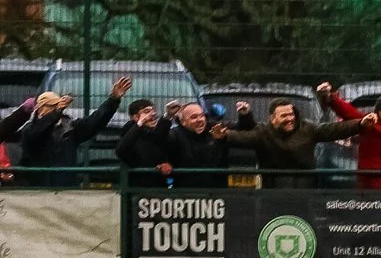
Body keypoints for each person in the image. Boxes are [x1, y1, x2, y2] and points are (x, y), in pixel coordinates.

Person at [0, 77, 130, 185]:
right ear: (39, 109)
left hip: (67, 189)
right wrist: (56, 113)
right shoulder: (29, 130)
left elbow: (95, 122)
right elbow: (38, 133)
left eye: (56, 106)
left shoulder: (71, 128)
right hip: (38, 191)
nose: (54, 109)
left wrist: (113, 100)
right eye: (50, 106)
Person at [226, 96, 366, 188]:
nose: (290, 118)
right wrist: (224, 135)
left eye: (291, 114)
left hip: (304, 193)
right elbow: (241, 137)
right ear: (273, 119)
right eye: (284, 116)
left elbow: (333, 129)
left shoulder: (307, 128)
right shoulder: (263, 132)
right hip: (272, 195)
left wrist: (360, 124)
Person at [159, 99, 235, 189]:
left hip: (216, 193)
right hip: (186, 193)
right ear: (183, 122)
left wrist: (245, 115)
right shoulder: (175, 135)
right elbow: (158, 138)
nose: (200, 120)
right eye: (194, 117)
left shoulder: (214, 130)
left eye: (202, 115)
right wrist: (167, 117)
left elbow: (243, 128)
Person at [115, 99, 171, 188]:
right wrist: (140, 123)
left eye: (153, 111)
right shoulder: (130, 135)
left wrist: (168, 115)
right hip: (136, 188)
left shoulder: (156, 133)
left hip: (159, 187)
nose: (153, 114)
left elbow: (160, 135)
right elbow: (121, 151)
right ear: (135, 117)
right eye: (147, 112)